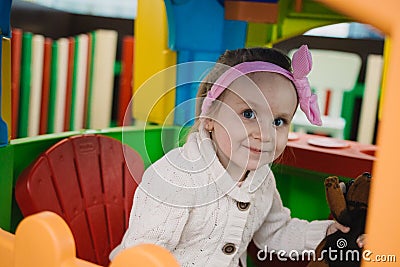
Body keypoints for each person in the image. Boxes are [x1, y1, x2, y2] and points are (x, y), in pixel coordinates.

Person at [110, 45, 352, 266]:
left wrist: (328, 233)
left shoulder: (261, 179)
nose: (265, 134)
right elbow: (142, 255)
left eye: (279, 121)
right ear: (209, 118)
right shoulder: (176, 179)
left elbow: (276, 232)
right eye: (248, 114)